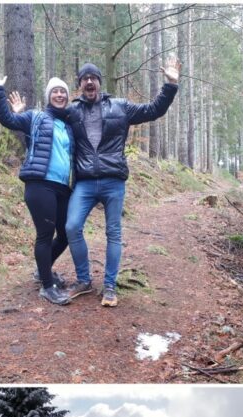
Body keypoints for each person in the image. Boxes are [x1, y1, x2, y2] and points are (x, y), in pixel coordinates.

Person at [64, 59, 181, 307]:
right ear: (80, 85)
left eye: (93, 77)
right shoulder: (72, 111)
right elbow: (48, 117)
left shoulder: (120, 107)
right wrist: (20, 114)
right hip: (84, 182)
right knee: (72, 227)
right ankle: (83, 281)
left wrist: (170, 84)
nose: (89, 82)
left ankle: (109, 286)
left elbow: (153, 110)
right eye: (84, 79)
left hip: (113, 181)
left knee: (113, 233)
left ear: (99, 82)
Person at [0, 70, 75, 305]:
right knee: (45, 235)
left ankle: (42, 271)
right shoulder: (35, 117)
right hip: (39, 185)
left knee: (66, 233)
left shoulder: (68, 126)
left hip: (62, 187)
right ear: (48, 96)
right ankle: (47, 286)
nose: (59, 94)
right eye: (55, 91)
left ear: (67, 97)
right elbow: (8, 120)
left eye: (62, 92)